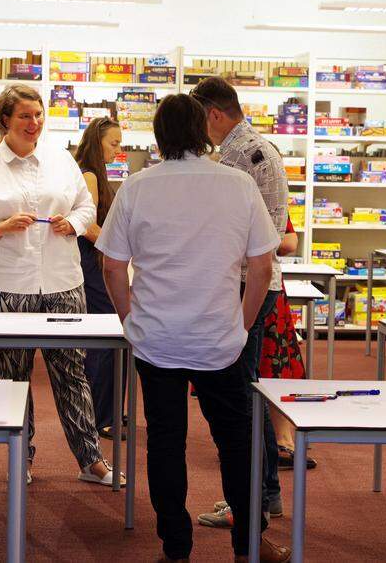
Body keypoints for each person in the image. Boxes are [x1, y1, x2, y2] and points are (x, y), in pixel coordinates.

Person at [97, 93, 290, 563]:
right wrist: (241, 325)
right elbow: (262, 267)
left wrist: (130, 320)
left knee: (165, 442)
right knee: (236, 443)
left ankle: (176, 548)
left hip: (157, 338)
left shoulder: (137, 187)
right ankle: (247, 545)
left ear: (159, 137)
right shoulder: (237, 185)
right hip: (219, 339)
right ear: (204, 130)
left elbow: (111, 266)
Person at [0, 83, 121, 486]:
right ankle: (20, 457)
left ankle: (90, 459)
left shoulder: (60, 159)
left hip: (62, 280)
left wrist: (75, 223)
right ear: (6, 120)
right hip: (5, 282)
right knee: (13, 375)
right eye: (25, 116)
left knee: (72, 370)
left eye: (39, 114)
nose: (34, 123)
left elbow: (84, 205)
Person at [189, 76, 288, 526]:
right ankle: (262, 494)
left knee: (238, 395)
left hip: (245, 286)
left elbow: (248, 236)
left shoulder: (239, 157)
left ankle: (254, 498)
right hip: (251, 284)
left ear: (212, 113)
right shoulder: (254, 149)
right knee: (245, 389)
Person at [73, 116, 128, 439]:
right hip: (91, 263)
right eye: (114, 143)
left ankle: (104, 412)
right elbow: (88, 225)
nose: (118, 150)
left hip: (92, 261)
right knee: (106, 336)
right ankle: (101, 416)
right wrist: (116, 246)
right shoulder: (89, 174)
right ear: (98, 142)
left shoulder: (87, 171)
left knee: (105, 336)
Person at [263, 218, 316, 472]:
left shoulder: (268, 194)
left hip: (265, 287)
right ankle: (249, 442)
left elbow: (290, 242)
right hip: (226, 288)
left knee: (276, 362)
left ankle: (283, 441)